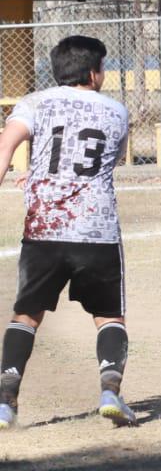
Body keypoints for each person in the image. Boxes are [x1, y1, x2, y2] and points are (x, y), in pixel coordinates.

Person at [0, 35, 137, 429]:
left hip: (44, 228)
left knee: (26, 315)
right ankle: (110, 391)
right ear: (94, 73)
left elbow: (7, 147)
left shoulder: (34, 102)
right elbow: (108, 161)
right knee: (109, 316)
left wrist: (38, 173)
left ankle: (7, 403)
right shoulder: (116, 111)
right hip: (96, 231)